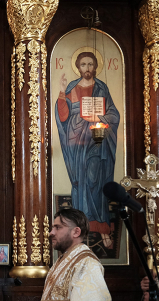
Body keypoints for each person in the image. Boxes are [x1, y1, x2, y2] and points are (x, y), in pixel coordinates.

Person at [55, 52, 120, 250]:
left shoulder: (101, 88)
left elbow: (114, 114)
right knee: (80, 183)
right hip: (76, 144)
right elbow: (63, 117)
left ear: (95, 67)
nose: (87, 68)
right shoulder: (72, 88)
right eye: (83, 64)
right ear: (78, 67)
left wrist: (99, 118)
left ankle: (102, 228)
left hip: (97, 142)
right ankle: (79, 233)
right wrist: (61, 93)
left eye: (90, 64)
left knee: (95, 182)